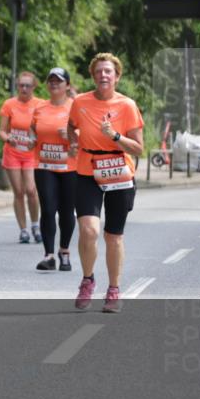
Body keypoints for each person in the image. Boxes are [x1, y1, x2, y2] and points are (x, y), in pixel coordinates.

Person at [68, 53, 144, 314]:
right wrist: (74, 140)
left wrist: (115, 135)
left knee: (113, 236)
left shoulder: (127, 105)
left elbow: (138, 148)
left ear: (117, 76)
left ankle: (113, 289)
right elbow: (71, 126)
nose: (103, 75)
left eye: (108, 71)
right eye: (99, 71)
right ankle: (88, 280)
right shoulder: (80, 102)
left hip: (119, 172)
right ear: (93, 75)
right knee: (89, 230)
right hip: (87, 171)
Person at [31, 68, 77, 272]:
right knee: (48, 209)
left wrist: (72, 136)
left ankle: (64, 251)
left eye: (58, 81)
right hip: (45, 166)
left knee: (66, 211)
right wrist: (31, 140)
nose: (54, 84)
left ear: (67, 85)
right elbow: (34, 130)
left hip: (70, 167)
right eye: (50, 80)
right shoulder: (40, 107)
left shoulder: (76, 106)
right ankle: (49, 255)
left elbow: (89, 132)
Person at [0, 72, 43, 244]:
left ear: (34, 87)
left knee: (31, 190)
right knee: (18, 192)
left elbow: (45, 129)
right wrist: (8, 138)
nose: (24, 89)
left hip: (31, 153)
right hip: (13, 152)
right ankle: (23, 230)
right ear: (17, 86)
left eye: (27, 85)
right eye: (21, 85)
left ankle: (35, 225)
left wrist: (36, 140)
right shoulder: (9, 104)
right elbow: (2, 130)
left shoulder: (40, 105)